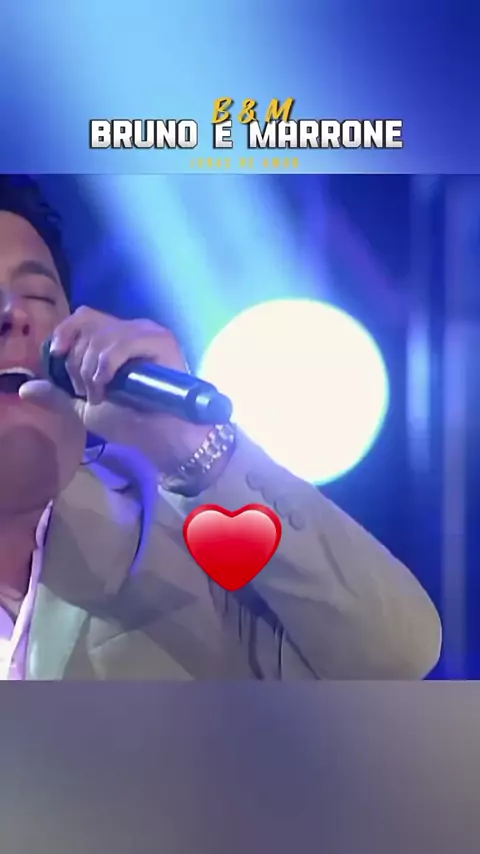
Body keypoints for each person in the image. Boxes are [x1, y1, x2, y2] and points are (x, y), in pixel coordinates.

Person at [0, 175, 441, 681]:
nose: (13, 315)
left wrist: (198, 451)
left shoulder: (179, 550)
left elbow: (396, 656)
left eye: (38, 295)